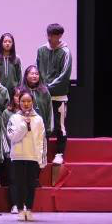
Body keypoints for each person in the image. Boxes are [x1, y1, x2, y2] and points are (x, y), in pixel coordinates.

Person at [7, 90, 47, 221]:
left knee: (30, 185)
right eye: (23, 101)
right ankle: (20, 209)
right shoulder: (14, 118)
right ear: (18, 102)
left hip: (33, 156)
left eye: (28, 101)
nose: (26, 104)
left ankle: (29, 209)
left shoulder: (38, 119)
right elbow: (13, 136)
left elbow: (42, 140)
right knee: (19, 184)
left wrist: (41, 159)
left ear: (32, 102)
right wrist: (24, 124)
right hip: (18, 156)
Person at [36, 23, 72, 165]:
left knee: (59, 126)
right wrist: (40, 88)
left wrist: (48, 87)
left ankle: (59, 154)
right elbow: (37, 70)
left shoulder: (65, 52)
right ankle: (41, 152)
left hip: (59, 96)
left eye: (55, 36)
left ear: (60, 36)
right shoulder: (41, 50)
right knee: (41, 124)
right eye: (50, 35)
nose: (51, 38)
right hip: (43, 96)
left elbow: (65, 75)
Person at [1, 86, 22, 213]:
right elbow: (4, 132)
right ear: (12, 97)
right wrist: (7, 150)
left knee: (23, 179)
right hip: (11, 151)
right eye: (16, 95)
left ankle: (23, 204)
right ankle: (14, 204)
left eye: (21, 95)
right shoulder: (6, 113)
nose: (18, 98)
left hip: (25, 152)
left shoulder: (30, 113)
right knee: (13, 178)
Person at [21, 65, 53, 145]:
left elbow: (49, 110)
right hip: (25, 130)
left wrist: (49, 128)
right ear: (26, 76)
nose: (34, 76)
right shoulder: (21, 91)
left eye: (36, 74)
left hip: (41, 129)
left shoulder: (45, 91)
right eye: (32, 74)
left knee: (41, 151)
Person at [0, 33, 22, 100]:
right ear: (1, 43)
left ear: (12, 44)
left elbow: (19, 76)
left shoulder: (16, 59)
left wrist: (18, 89)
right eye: (5, 41)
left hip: (13, 91)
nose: (7, 43)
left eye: (9, 42)